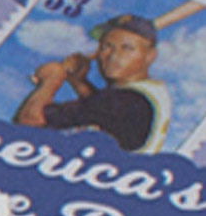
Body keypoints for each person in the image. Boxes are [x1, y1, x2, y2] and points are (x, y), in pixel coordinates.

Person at [13, 13, 171, 153]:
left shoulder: (126, 101)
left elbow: (29, 123)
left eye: (127, 48)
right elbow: (101, 112)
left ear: (150, 56)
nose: (113, 56)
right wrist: (78, 80)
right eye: (107, 46)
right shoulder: (148, 91)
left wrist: (51, 80)